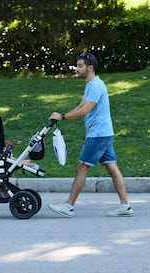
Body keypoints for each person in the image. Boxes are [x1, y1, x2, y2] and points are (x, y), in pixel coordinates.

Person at [48, 52, 133, 218]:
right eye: (77, 66)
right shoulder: (91, 85)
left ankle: (68, 206)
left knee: (81, 167)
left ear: (90, 68)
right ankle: (125, 206)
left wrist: (63, 117)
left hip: (98, 135)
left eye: (80, 66)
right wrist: (62, 115)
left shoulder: (95, 86)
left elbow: (85, 111)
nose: (77, 69)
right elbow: (81, 106)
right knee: (111, 167)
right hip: (104, 133)